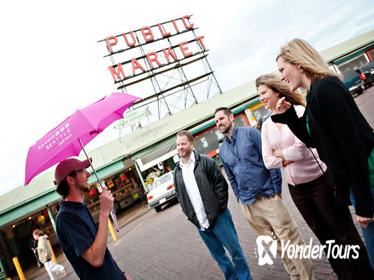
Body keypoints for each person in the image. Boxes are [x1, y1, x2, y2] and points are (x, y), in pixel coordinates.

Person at [273, 38, 374, 277]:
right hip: (361, 183)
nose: (281, 77)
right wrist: (289, 116)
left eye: (282, 70)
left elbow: (352, 148)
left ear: (298, 63)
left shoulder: (326, 88)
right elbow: (315, 140)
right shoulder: (314, 94)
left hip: (369, 180)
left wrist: (363, 203)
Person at [214, 107, 314, 280]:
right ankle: (295, 276)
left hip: (269, 197)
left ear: (231, 117)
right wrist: (239, 198)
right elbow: (230, 176)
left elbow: (268, 159)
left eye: (221, 118)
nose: (219, 123)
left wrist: (276, 190)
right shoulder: (222, 150)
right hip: (249, 205)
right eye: (216, 122)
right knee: (276, 245)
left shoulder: (250, 133)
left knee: (291, 241)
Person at [173, 130, 252, 280]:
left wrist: (219, 210)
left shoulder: (205, 162)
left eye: (183, 143)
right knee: (220, 257)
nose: (180, 147)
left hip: (219, 218)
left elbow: (221, 186)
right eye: (178, 145)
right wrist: (190, 216)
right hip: (200, 223)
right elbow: (179, 196)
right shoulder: (177, 172)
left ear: (191, 143)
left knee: (235, 252)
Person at [54, 158, 128, 280]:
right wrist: (104, 212)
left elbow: (103, 253)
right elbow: (96, 259)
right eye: (82, 171)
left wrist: (121, 274)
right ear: (70, 179)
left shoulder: (80, 207)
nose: (88, 174)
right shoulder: (65, 218)